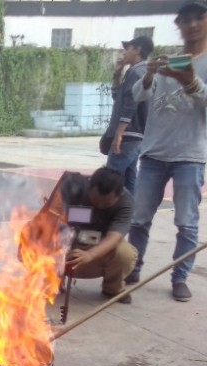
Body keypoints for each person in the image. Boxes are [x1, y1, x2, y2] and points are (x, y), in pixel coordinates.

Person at [126, 0, 207, 302]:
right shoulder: (168, 62)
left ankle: (180, 277)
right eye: (185, 20)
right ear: (179, 26)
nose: (193, 25)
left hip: (189, 156)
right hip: (153, 155)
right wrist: (148, 75)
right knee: (139, 219)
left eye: (199, 18)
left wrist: (191, 83)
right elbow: (139, 96)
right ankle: (132, 267)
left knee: (186, 222)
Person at [59, 168, 138, 304]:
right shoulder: (74, 186)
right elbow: (51, 216)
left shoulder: (126, 203)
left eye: (106, 203)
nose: (100, 206)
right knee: (36, 236)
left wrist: (90, 255)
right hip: (67, 242)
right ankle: (52, 281)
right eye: (95, 200)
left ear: (119, 196)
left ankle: (112, 289)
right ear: (89, 186)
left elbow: (114, 236)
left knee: (125, 253)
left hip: (98, 248)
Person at [99, 35, 153, 195]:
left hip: (128, 135)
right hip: (136, 136)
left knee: (110, 178)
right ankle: (130, 216)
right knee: (129, 179)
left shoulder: (136, 73)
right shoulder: (138, 72)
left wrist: (119, 134)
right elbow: (119, 98)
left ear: (137, 50)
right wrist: (117, 74)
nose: (124, 53)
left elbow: (130, 105)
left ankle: (108, 216)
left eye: (127, 49)